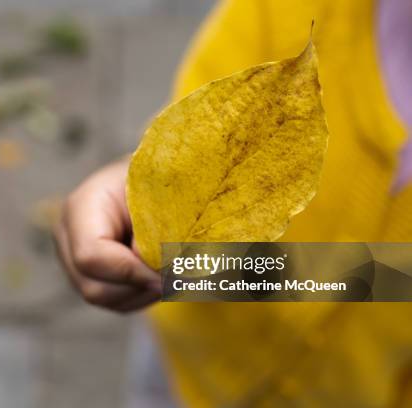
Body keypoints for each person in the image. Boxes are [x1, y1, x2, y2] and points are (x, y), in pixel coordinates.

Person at [54, 0, 412, 406]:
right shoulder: (294, 12)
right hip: (190, 352)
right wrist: (134, 193)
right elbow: (204, 143)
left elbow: (384, 277)